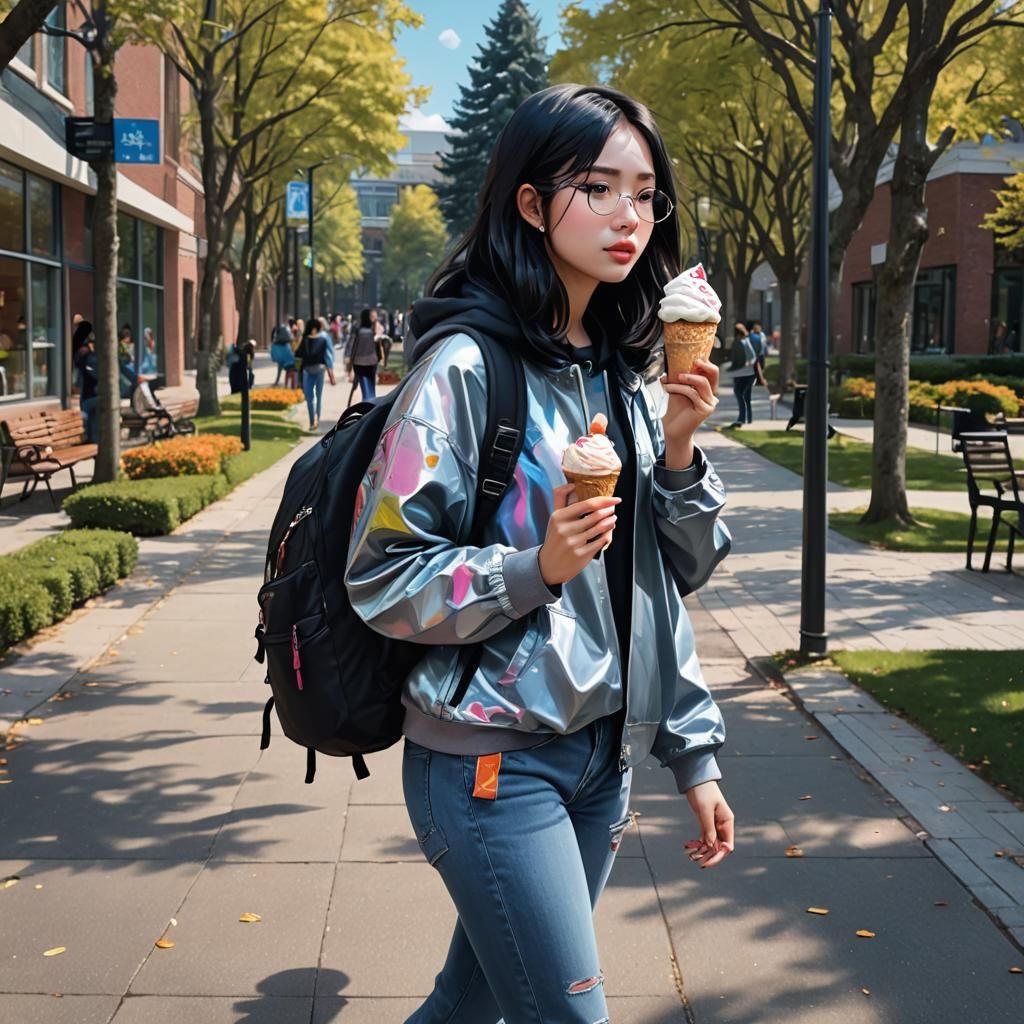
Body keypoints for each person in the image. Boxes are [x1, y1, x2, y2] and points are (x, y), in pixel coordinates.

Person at [344, 83, 735, 1024]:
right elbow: (381, 573)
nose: (628, 215)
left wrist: (694, 749)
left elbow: (665, 582)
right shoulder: (466, 370)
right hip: (489, 763)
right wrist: (534, 568)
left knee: (468, 1004)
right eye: (597, 188)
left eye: (644, 193)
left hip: (603, 760)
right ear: (530, 202)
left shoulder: (620, 372)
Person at [295, 317, 335, 429]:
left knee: (309, 397)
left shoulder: (305, 339)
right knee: (319, 395)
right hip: (320, 370)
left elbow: (298, 354)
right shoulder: (323, 340)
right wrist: (330, 371)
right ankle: (317, 419)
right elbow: (327, 357)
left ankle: (312, 421)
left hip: (307, 370)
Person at [343, 307, 381, 405]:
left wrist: (349, 362)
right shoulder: (372, 333)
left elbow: (352, 347)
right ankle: (372, 406)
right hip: (372, 362)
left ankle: (367, 407)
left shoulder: (358, 331)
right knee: (372, 388)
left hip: (359, 363)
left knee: (365, 388)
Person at [728, 322, 757, 427]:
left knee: (740, 394)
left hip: (743, 373)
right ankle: (748, 419)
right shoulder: (744, 341)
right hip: (746, 373)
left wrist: (747, 363)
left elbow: (751, 357)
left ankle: (742, 419)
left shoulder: (740, 342)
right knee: (746, 396)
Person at [270, 321, 295, 385]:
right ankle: (292, 383)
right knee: (290, 368)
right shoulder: (287, 329)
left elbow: (272, 339)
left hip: (282, 353)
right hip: (289, 352)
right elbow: (291, 339)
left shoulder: (277, 330)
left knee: (281, 367)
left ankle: (278, 381)